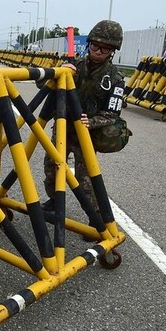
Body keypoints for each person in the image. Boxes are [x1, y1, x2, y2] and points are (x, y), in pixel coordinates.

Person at [42, 19, 126, 217]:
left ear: (112, 51)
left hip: (85, 133)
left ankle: (95, 216)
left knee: (85, 179)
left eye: (105, 49)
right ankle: (54, 201)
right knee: (51, 169)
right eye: (95, 46)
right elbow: (43, 86)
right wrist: (58, 73)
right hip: (63, 126)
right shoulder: (72, 66)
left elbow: (112, 113)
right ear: (89, 43)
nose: (98, 51)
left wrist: (92, 122)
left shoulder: (115, 78)